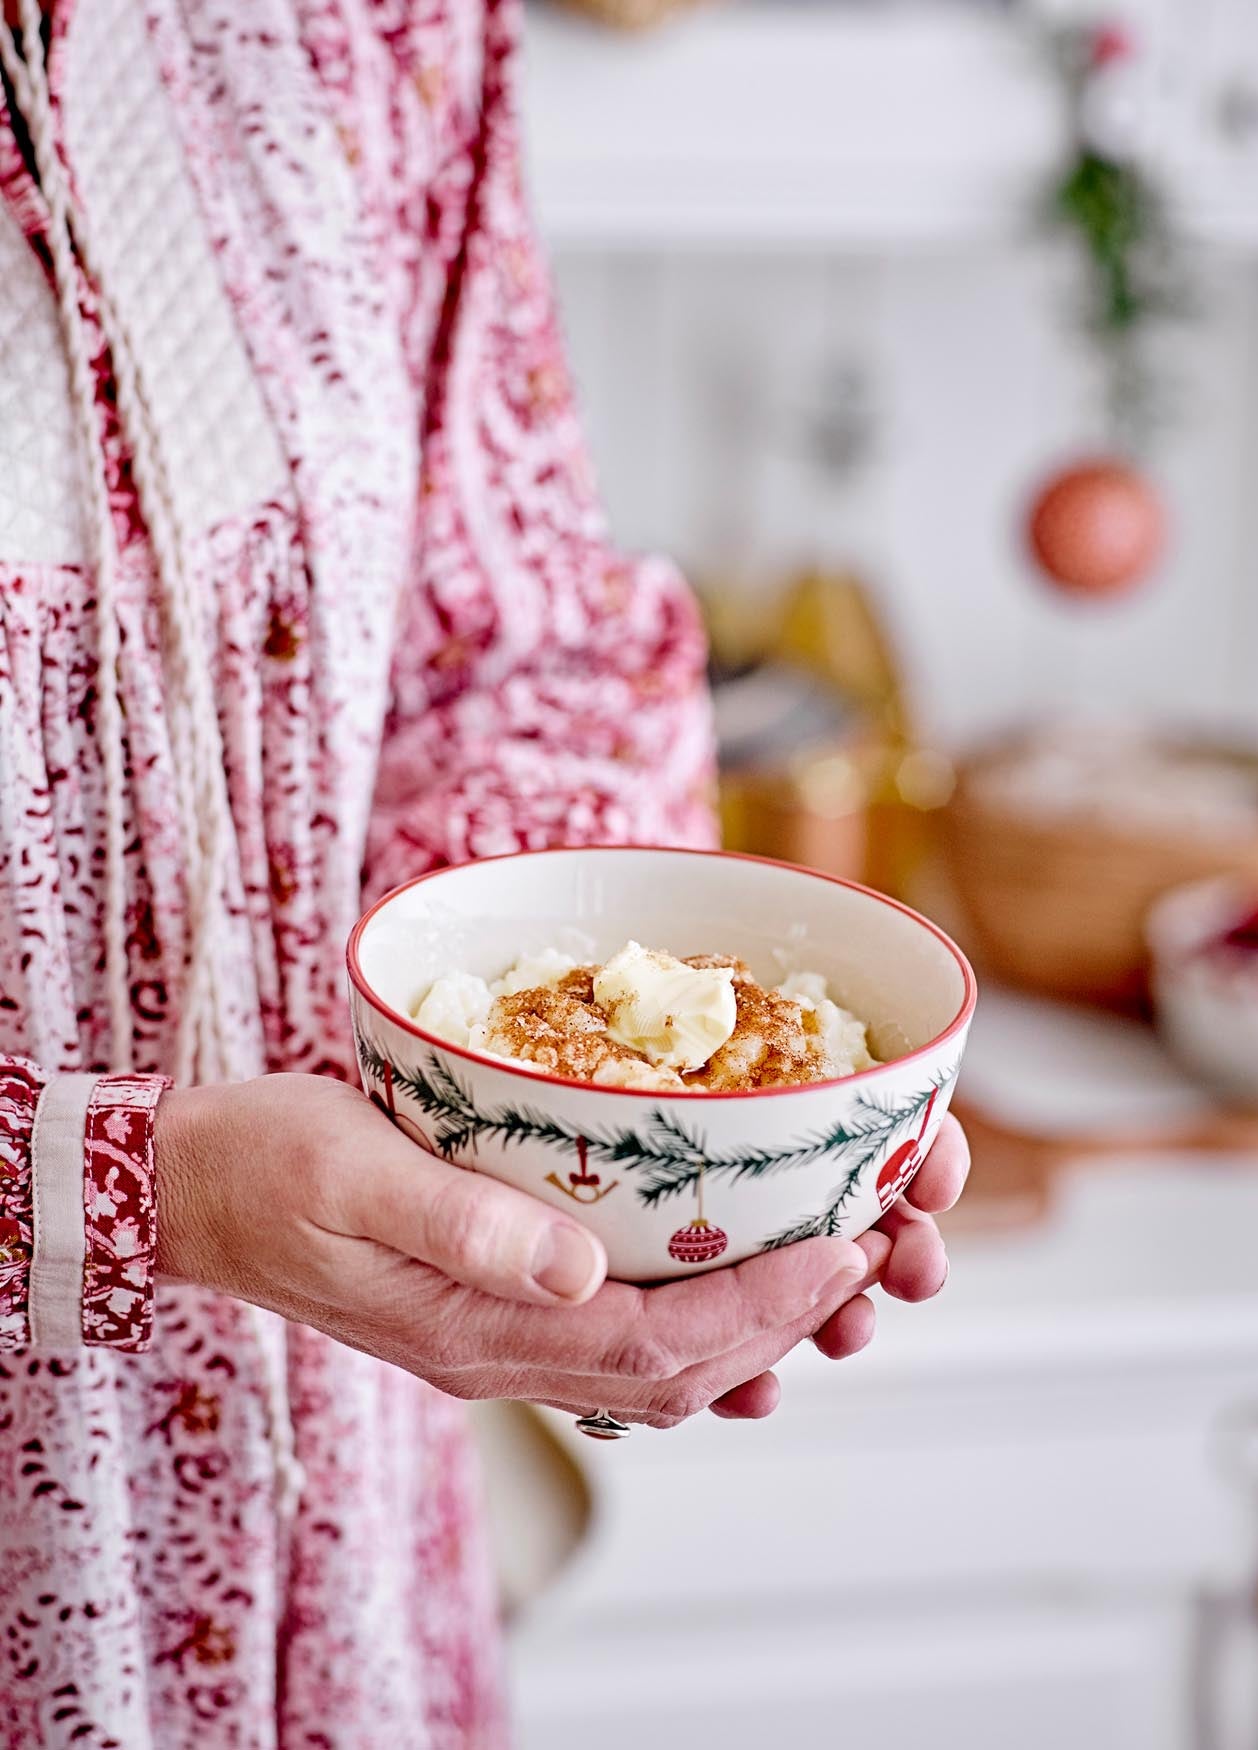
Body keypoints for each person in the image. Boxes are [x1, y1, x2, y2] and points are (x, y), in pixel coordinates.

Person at [0, 0, 970, 1742]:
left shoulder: (373, 23)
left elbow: (512, 643)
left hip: (343, 1522)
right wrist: (150, 1192)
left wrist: (575, 1106)